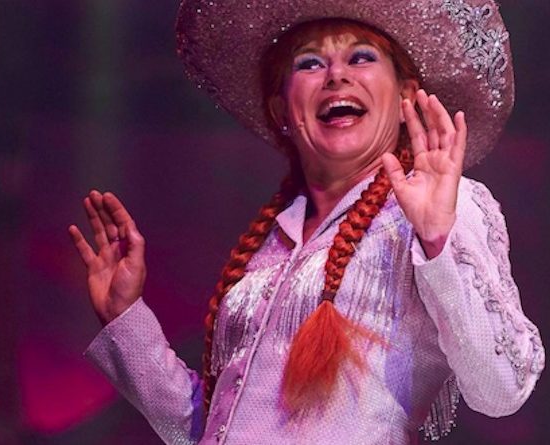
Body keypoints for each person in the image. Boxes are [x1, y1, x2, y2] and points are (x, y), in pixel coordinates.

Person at [69, 0, 544, 443]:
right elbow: (205, 427)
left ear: (406, 96)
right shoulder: (274, 238)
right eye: (310, 63)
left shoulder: (437, 205)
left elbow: (503, 389)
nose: (336, 75)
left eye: (361, 58)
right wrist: (125, 317)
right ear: (281, 110)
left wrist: (439, 241)